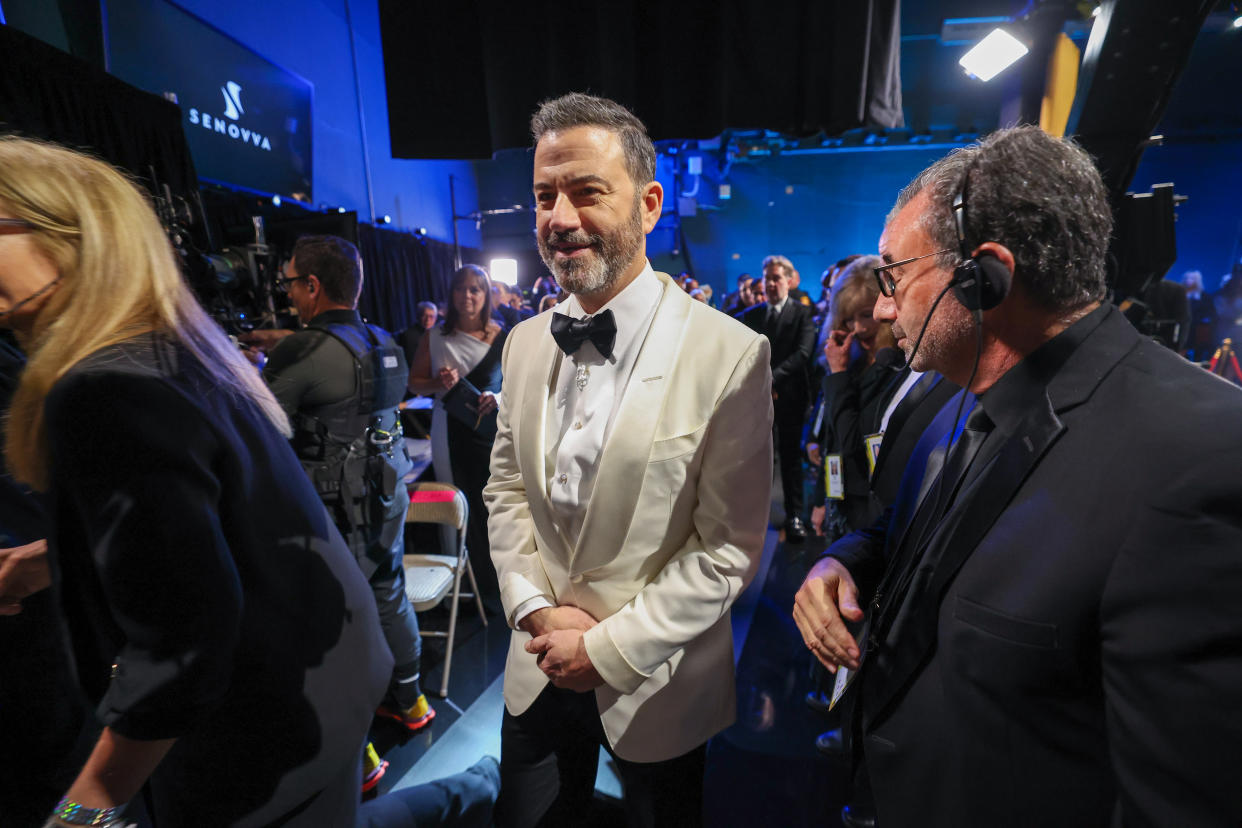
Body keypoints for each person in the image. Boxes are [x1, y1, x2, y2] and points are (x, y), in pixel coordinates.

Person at [793, 125, 1242, 826]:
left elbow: (1179, 800)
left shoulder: (1202, 455)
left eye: (894, 276)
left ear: (985, 276)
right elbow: (914, 538)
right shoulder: (953, 390)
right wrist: (839, 560)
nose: (882, 307)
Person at [0, 136, 393, 825]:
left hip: (267, 717)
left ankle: (468, 792)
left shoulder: (101, 387)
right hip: (324, 674)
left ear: (63, 239)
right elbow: (202, 528)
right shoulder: (168, 349)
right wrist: (47, 562)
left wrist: (82, 814)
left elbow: (185, 645)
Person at [484, 92, 772, 828]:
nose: (559, 218)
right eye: (546, 195)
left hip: (657, 682)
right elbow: (507, 490)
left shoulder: (732, 354)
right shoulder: (521, 344)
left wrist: (607, 649)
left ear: (649, 204)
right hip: (536, 664)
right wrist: (535, 609)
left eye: (586, 192)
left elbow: (726, 550)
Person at [242, 235, 434, 739]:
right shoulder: (384, 340)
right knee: (388, 592)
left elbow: (258, 425)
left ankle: (356, 746)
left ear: (312, 285)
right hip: (388, 495)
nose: (288, 295)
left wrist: (253, 368)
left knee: (330, 615)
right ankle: (411, 701)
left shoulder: (302, 350)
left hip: (332, 509)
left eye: (290, 284)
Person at [408, 264, 507, 612]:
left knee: (494, 503)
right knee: (459, 501)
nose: (467, 296)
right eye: (461, 289)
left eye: (475, 290)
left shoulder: (502, 336)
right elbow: (415, 383)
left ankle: (500, 581)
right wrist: (437, 384)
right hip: (448, 431)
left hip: (493, 433)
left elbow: (516, 387)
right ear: (451, 294)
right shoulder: (435, 337)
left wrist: (497, 398)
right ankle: (464, 584)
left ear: (486, 296)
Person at [805, 256, 900, 538]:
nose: (859, 328)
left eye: (866, 314)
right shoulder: (849, 361)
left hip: (873, 512)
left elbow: (852, 442)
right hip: (840, 500)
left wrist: (838, 374)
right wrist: (821, 501)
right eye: (848, 318)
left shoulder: (896, 366)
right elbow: (831, 438)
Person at [736, 254, 817, 541]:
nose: (771, 284)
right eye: (767, 278)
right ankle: (753, 517)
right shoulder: (749, 316)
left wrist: (771, 378)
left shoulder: (803, 313)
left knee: (792, 459)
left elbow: (803, 354)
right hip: (757, 400)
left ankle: (795, 515)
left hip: (790, 397)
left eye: (776, 278)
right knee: (757, 459)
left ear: (789, 280)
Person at [397, 300, 439, 367]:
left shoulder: (438, 334)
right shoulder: (408, 335)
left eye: (431, 316)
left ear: (436, 318)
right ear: (418, 316)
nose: (428, 320)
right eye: (424, 316)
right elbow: (412, 362)